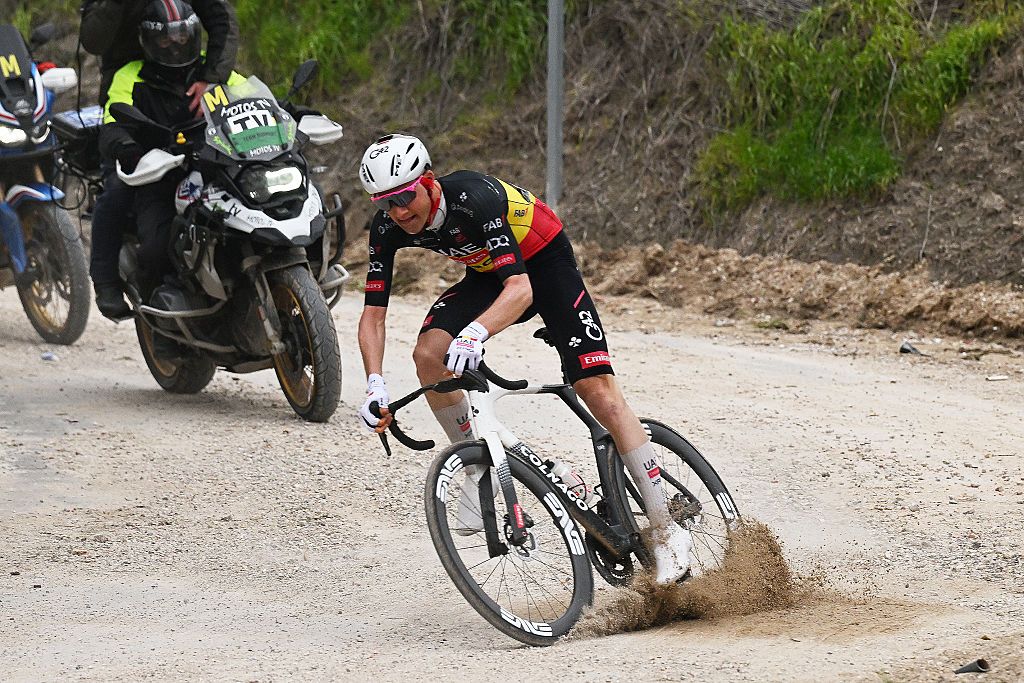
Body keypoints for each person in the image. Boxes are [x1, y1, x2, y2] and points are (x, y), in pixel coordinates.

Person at [355, 134, 693, 585]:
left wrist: (477, 332)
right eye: (385, 203)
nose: (398, 212)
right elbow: (373, 314)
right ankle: (481, 471)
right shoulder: (388, 227)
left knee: (599, 393)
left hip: (544, 267)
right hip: (491, 274)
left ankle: (667, 532)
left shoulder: (474, 198)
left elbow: (522, 289)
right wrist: (374, 382)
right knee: (429, 355)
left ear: (429, 182)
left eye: (403, 197)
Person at [80, 0, 238, 317]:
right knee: (120, 186)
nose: (173, 42)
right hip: (133, 91)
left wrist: (214, 77)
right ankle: (106, 280)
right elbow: (94, 40)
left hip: (194, 79)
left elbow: (223, 20)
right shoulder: (127, 77)